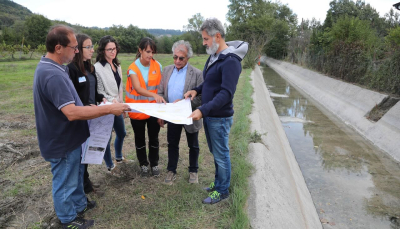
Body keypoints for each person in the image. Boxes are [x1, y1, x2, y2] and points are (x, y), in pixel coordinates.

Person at [33, 25, 130, 228]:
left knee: (75, 175)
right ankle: (67, 219)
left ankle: (78, 205)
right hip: (62, 140)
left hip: (71, 138)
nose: (77, 51)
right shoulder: (53, 74)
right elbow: (72, 112)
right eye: (74, 47)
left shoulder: (54, 68)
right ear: (58, 48)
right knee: (65, 180)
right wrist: (108, 110)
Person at [184, 18, 248, 204]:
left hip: (219, 117)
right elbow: (210, 82)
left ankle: (222, 190)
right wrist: (197, 89)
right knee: (215, 151)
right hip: (211, 115)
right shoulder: (214, 56)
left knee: (221, 154)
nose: (203, 43)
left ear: (217, 36)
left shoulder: (231, 62)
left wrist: (202, 110)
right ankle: (218, 182)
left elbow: (226, 93)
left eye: (205, 39)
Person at [157, 40, 203, 185]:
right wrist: (161, 113)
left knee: (193, 145)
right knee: (172, 143)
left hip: (190, 115)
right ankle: (171, 170)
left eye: (181, 58)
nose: (177, 60)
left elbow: (202, 97)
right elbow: (161, 93)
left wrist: (184, 103)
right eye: (175, 57)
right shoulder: (166, 70)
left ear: (188, 58)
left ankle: (193, 171)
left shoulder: (197, 74)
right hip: (172, 115)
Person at [68, 34, 105, 195]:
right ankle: (83, 187)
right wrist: (84, 108)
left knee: (88, 152)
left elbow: (94, 92)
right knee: (80, 155)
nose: (92, 50)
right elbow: (70, 97)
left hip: (92, 115)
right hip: (81, 116)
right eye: (88, 47)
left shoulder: (91, 68)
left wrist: (101, 99)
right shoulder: (71, 69)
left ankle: (86, 183)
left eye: (92, 46)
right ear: (78, 49)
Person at [125, 37, 165, 177]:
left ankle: (154, 164)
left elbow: (160, 88)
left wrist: (161, 111)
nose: (150, 55)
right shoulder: (132, 68)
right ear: (140, 50)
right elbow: (137, 88)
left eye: (152, 52)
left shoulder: (157, 66)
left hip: (153, 110)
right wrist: (154, 96)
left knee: (154, 138)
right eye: (148, 51)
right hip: (137, 110)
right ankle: (143, 164)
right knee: (140, 139)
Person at [94, 35, 127, 174]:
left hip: (117, 105)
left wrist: (121, 103)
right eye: (109, 49)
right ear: (102, 51)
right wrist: (111, 101)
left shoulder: (117, 65)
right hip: (106, 106)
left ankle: (119, 157)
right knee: (106, 137)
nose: (113, 52)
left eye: (114, 49)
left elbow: (120, 87)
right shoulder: (97, 68)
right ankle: (110, 166)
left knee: (122, 132)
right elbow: (99, 91)